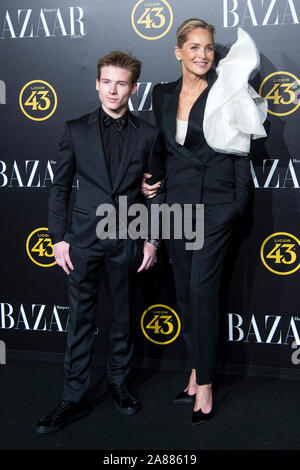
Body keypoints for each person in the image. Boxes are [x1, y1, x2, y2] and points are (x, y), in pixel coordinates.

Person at [142, 19, 267, 425]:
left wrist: (236, 204)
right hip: (176, 203)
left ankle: (208, 383)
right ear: (177, 51)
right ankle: (196, 369)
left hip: (216, 204)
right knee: (183, 292)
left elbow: (240, 152)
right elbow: (160, 147)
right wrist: (152, 181)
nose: (202, 54)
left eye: (209, 47)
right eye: (194, 47)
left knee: (201, 289)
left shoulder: (226, 89)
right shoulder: (161, 94)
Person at [35, 50, 160, 434]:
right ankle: (72, 398)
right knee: (80, 321)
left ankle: (119, 385)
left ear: (133, 89)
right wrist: (58, 239)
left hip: (126, 240)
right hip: (83, 242)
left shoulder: (149, 134)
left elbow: (156, 191)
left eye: (121, 83)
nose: (112, 89)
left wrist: (153, 240)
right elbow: (59, 188)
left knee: (123, 317)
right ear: (97, 84)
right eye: (106, 81)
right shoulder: (75, 129)